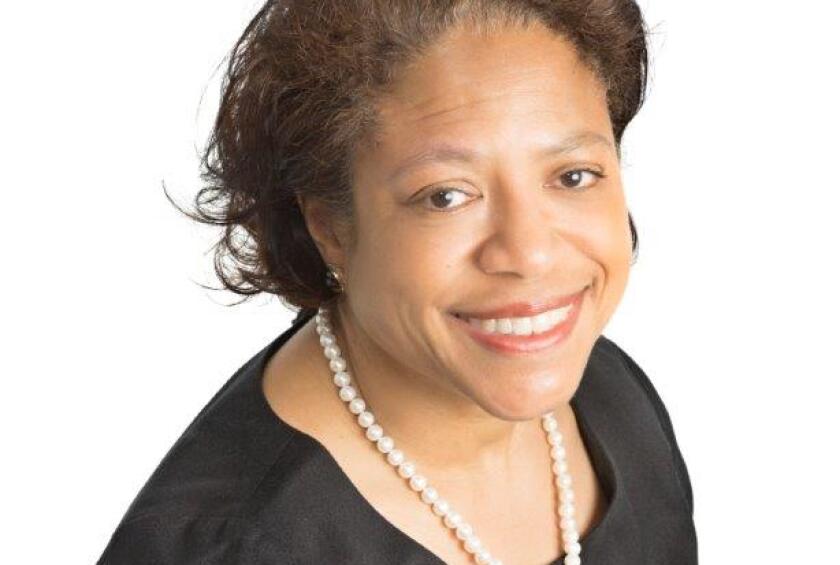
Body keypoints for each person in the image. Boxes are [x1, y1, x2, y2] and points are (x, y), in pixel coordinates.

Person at [99, 1, 698, 563]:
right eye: (446, 196)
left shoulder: (611, 395)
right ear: (330, 227)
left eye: (573, 176)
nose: (530, 254)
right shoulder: (238, 545)